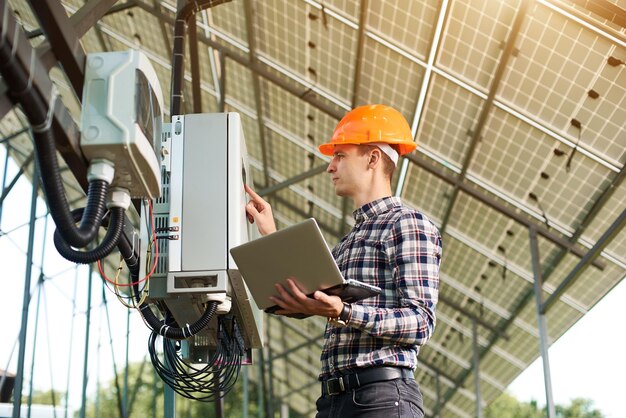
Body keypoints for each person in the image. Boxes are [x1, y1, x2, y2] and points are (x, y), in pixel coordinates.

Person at [245, 104, 442, 418]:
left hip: (382, 399)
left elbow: (420, 322)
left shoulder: (407, 224)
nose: (330, 166)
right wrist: (269, 233)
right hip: (334, 402)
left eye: (340, 155)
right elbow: (310, 297)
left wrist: (345, 311)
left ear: (372, 158)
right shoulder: (348, 243)